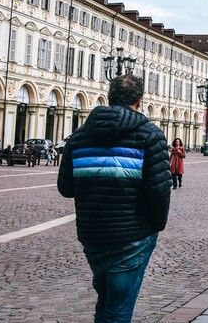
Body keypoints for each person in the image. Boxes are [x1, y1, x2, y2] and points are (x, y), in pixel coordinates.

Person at [57, 74, 171, 322]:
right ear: (140, 100)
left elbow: (66, 187)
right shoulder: (150, 136)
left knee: (107, 300)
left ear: (110, 98)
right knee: (118, 308)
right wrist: (156, 225)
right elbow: (159, 190)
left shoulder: (78, 137)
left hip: (92, 233)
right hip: (133, 234)